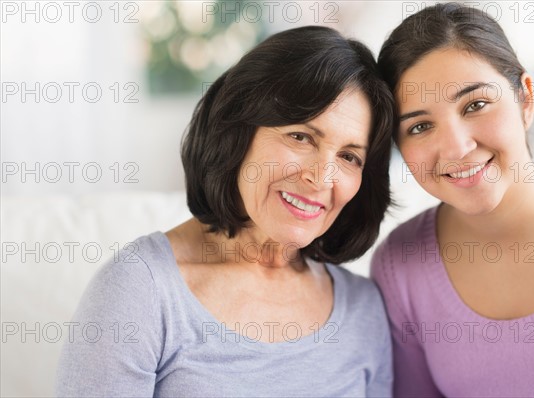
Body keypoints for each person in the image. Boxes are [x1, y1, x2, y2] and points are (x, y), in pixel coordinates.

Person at [56, 26, 395, 397]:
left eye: (349, 157)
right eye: (301, 137)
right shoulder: (140, 290)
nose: (321, 178)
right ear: (237, 134)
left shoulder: (365, 309)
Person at [372, 3, 534, 397]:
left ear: (525, 98)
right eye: (421, 126)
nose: (457, 148)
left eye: (475, 104)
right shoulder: (400, 266)